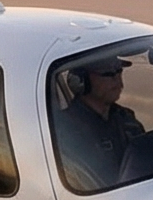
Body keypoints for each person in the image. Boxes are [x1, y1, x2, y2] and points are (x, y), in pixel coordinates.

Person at [56, 55, 144, 189]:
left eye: (119, 71)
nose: (117, 81)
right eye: (108, 74)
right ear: (80, 81)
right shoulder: (65, 130)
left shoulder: (127, 120)